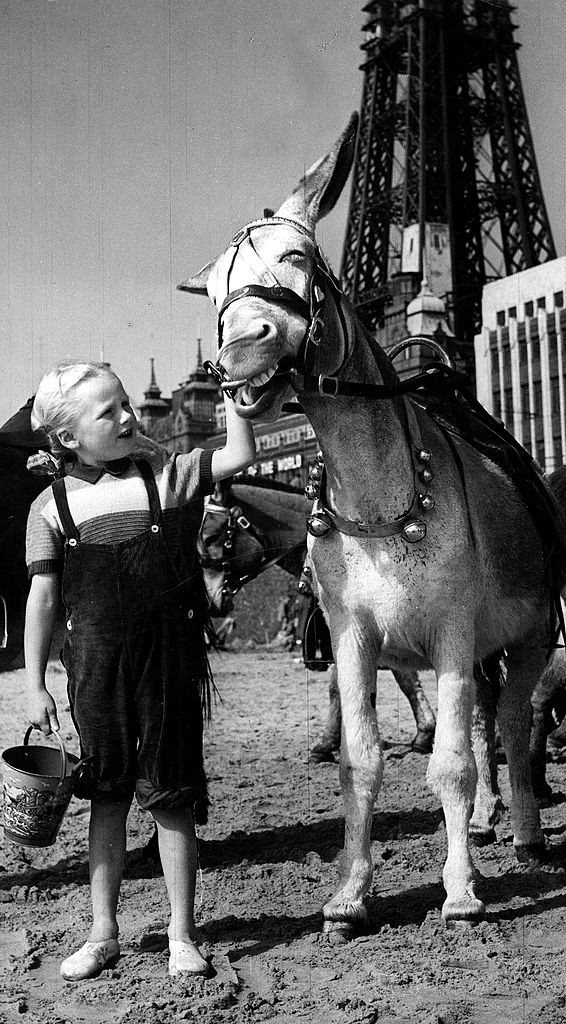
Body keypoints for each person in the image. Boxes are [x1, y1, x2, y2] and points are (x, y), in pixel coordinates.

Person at [24, 359, 256, 982]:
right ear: (68, 438)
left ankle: (183, 933)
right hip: (95, 675)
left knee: (172, 797)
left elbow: (239, 452)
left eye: (127, 403)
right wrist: (34, 684)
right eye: (110, 412)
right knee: (107, 795)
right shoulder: (49, 509)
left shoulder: (169, 475)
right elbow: (41, 599)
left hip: (166, 666)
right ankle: (104, 932)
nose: (128, 417)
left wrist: (233, 388)